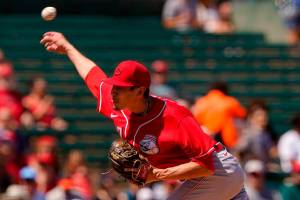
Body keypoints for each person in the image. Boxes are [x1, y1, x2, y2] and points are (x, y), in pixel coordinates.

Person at [40, 31, 248, 199]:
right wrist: (67, 47)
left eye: (120, 88)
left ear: (139, 91)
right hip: (209, 179)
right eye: (114, 86)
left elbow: (205, 165)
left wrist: (156, 175)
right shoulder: (118, 103)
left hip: (218, 172)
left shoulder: (175, 115)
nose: (113, 91)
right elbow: (92, 74)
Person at [192, 81, 247, 149]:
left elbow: (195, 120)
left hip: (206, 137)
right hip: (225, 137)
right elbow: (243, 114)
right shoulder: (230, 101)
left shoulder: (201, 102)